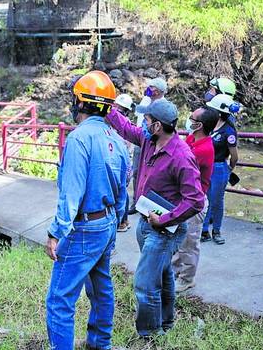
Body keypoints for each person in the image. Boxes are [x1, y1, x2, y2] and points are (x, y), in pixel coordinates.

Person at [45, 70, 130, 350]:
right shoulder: (116, 139)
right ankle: (99, 345)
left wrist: (56, 233)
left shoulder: (79, 139)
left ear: (80, 102)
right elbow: (122, 193)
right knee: (101, 289)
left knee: (60, 299)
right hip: (106, 224)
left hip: (84, 227)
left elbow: (71, 194)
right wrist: (115, 226)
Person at [105, 99, 204, 338]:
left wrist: (167, 219)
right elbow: (127, 129)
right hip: (147, 222)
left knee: (145, 284)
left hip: (163, 230)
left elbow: (196, 200)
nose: (144, 124)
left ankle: (149, 334)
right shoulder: (150, 141)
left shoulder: (181, 156)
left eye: (147, 121)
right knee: (164, 274)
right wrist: (106, 107)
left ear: (158, 125)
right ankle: (167, 322)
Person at [172, 106, 219, 294]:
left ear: (199, 125)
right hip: (183, 198)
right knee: (178, 239)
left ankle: (187, 278)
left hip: (194, 202)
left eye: (192, 118)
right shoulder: (192, 139)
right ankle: (175, 272)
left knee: (189, 243)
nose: (189, 120)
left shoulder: (204, 148)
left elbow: (178, 163)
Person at [201, 94, 240, 245]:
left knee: (216, 200)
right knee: (204, 198)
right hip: (206, 166)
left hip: (219, 167)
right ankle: (203, 230)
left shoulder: (228, 131)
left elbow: (234, 155)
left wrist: (229, 168)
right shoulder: (209, 126)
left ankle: (216, 230)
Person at [114, 93, 136, 233]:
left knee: (121, 189)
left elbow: (126, 144)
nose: (117, 110)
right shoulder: (118, 123)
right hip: (121, 159)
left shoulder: (125, 124)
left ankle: (122, 221)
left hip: (124, 161)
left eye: (120, 108)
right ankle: (124, 220)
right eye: (116, 106)